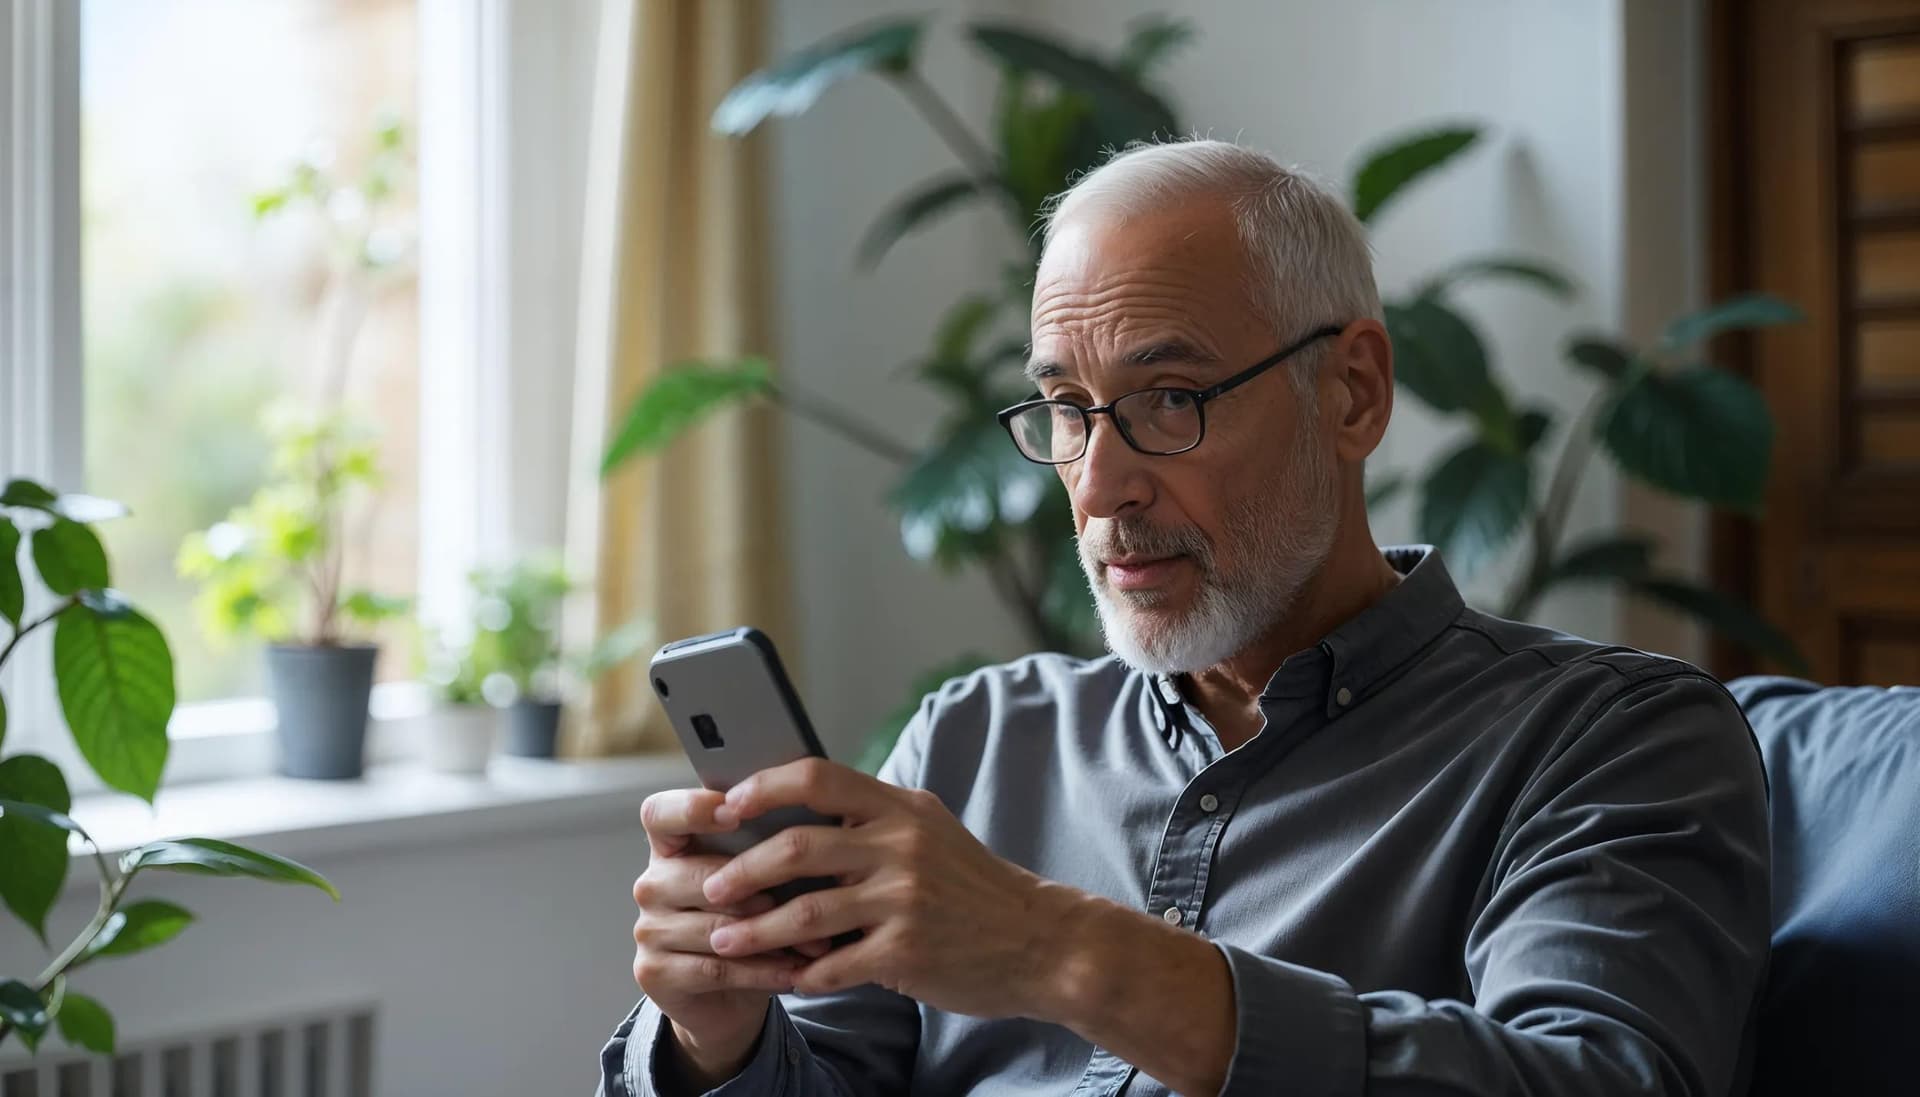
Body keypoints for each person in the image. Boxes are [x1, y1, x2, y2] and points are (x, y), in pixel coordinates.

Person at [596, 139, 1771, 1097]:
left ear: (1351, 392)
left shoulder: (1611, 738)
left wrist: (1061, 951)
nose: (1101, 484)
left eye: (1170, 398)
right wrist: (715, 1039)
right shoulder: (978, 735)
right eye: (1066, 407)